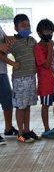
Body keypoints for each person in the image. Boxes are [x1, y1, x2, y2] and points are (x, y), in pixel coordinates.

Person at [0, 14, 38, 143]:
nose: (26, 27)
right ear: (16, 28)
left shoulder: (32, 40)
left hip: (31, 78)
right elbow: (1, 54)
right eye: (23, 26)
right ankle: (20, 133)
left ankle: (27, 130)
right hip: (19, 79)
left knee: (27, 105)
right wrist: (13, 64)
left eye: (28, 25)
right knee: (20, 106)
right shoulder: (13, 42)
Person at [34, 19, 54, 139]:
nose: (49, 33)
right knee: (45, 105)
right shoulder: (38, 47)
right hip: (45, 84)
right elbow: (46, 64)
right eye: (46, 31)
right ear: (39, 33)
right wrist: (50, 48)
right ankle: (46, 129)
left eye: (51, 31)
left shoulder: (50, 45)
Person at [0, 25, 18, 145]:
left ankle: (8, 128)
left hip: (2, 71)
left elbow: (4, 42)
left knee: (8, 101)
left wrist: (10, 39)